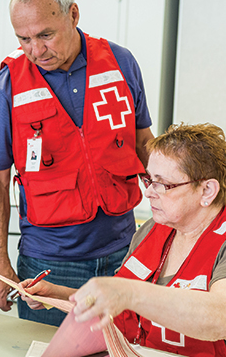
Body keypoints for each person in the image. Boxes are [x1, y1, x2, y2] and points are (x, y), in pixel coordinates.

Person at [0, 0, 155, 326]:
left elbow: (145, 144)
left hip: (125, 250)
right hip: (50, 262)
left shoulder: (120, 63)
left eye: (45, 35)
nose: (36, 50)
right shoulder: (6, 88)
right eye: (23, 39)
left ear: (73, 14)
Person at [21, 123, 226, 357]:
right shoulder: (153, 229)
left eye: (163, 183)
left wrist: (130, 293)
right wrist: (57, 294)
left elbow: (220, 318)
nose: (149, 192)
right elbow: (118, 302)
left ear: (207, 190)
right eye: (148, 180)